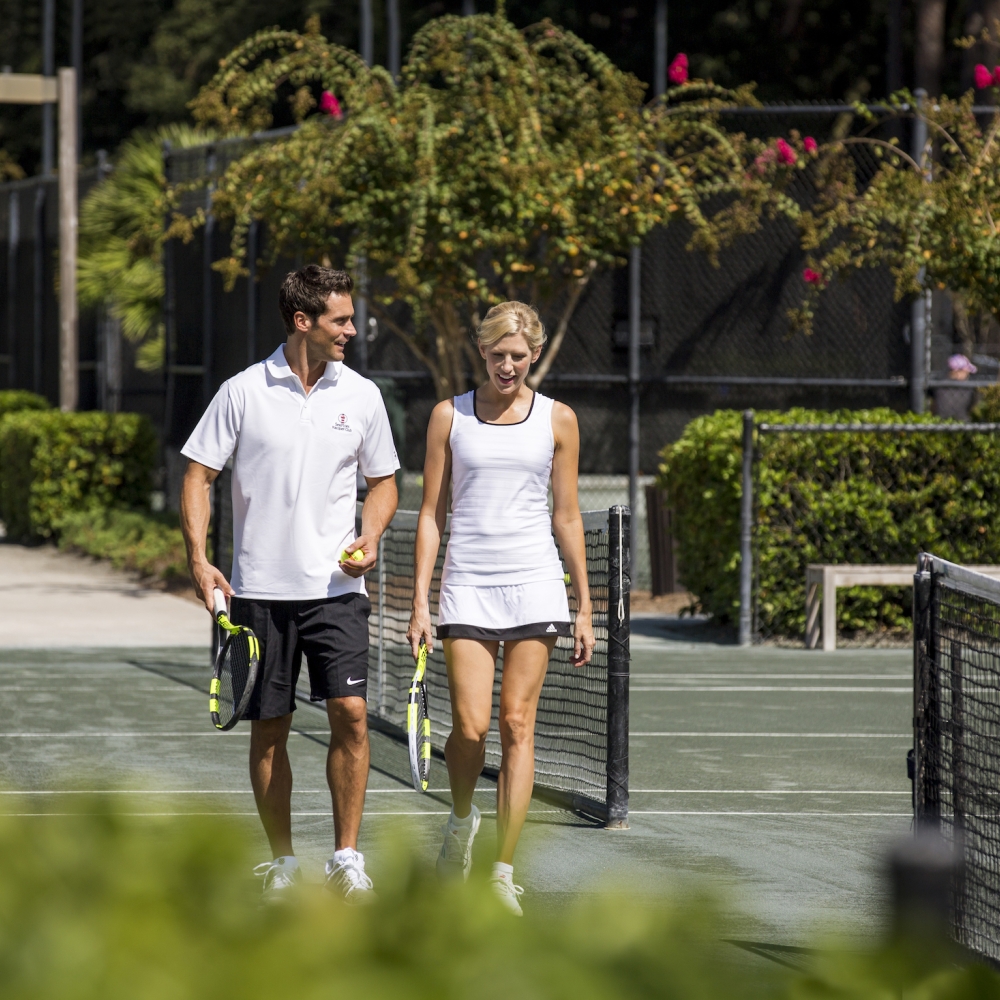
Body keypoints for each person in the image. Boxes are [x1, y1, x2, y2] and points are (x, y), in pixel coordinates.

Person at [179, 265, 399, 904]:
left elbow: (383, 481)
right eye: (341, 320)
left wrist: (372, 534)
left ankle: (346, 858)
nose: (352, 331)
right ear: (302, 322)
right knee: (269, 728)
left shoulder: (362, 396)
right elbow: (197, 474)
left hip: (337, 591)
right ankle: (282, 864)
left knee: (351, 717)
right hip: (258, 594)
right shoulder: (242, 391)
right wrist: (199, 559)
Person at [406, 301, 595, 916]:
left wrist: (584, 605)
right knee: (471, 728)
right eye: (496, 355)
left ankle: (501, 870)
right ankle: (462, 820)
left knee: (517, 724)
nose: (506, 365)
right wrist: (419, 602)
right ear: (481, 353)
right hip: (468, 586)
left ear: (534, 355)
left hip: (537, 584)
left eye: (518, 355)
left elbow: (566, 516)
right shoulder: (448, 416)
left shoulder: (559, 420)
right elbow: (432, 515)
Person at [933, 353, 977, 420]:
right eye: (966, 371)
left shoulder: (939, 384)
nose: (968, 374)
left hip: (941, 421)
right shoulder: (939, 386)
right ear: (957, 371)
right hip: (962, 422)